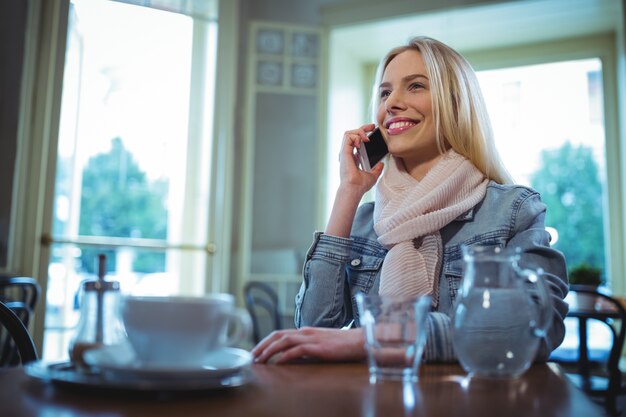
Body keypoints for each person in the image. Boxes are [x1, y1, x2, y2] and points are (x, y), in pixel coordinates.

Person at [252, 36, 568, 364]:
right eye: (385, 92)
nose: (391, 103)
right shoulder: (364, 221)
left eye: (415, 86)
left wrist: (377, 337)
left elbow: (537, 326)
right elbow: (313, 330)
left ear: (456, 103)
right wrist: (349, 191)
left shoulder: (512, 211)